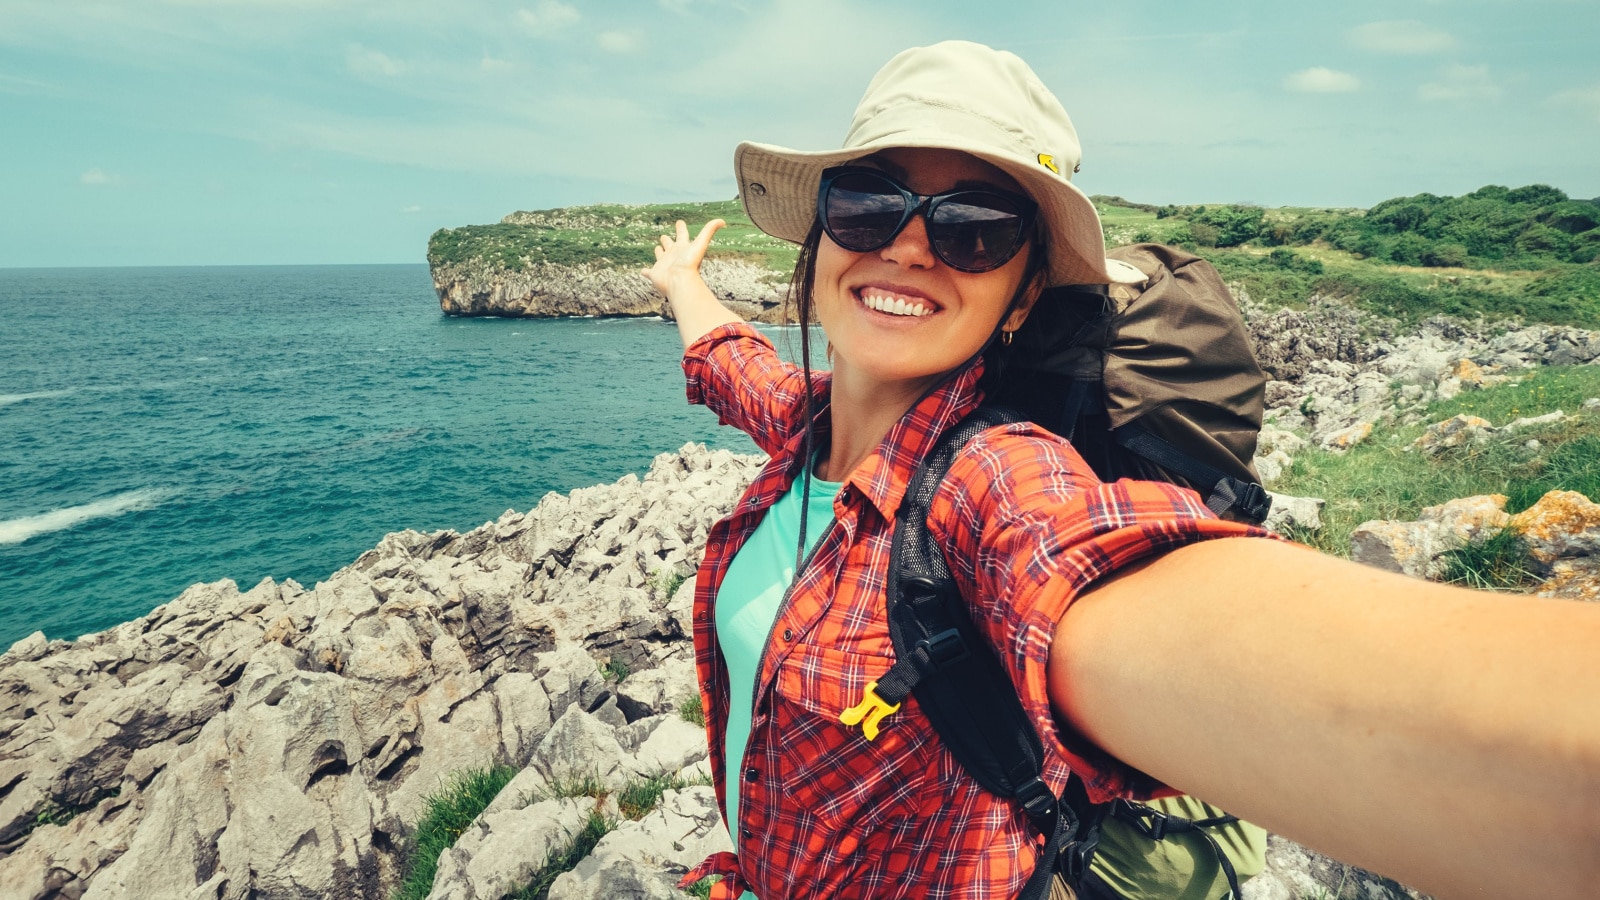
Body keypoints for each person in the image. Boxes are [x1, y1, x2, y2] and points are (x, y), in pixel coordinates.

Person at [641, 41, 1600, 900]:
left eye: (975, 227)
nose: (907, 244)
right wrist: (683, 283)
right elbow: (735, 368)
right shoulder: (812, 426)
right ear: (817, 249)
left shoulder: (998, 486)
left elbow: (1118, 593)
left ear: (1020, 300)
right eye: (868, 204)